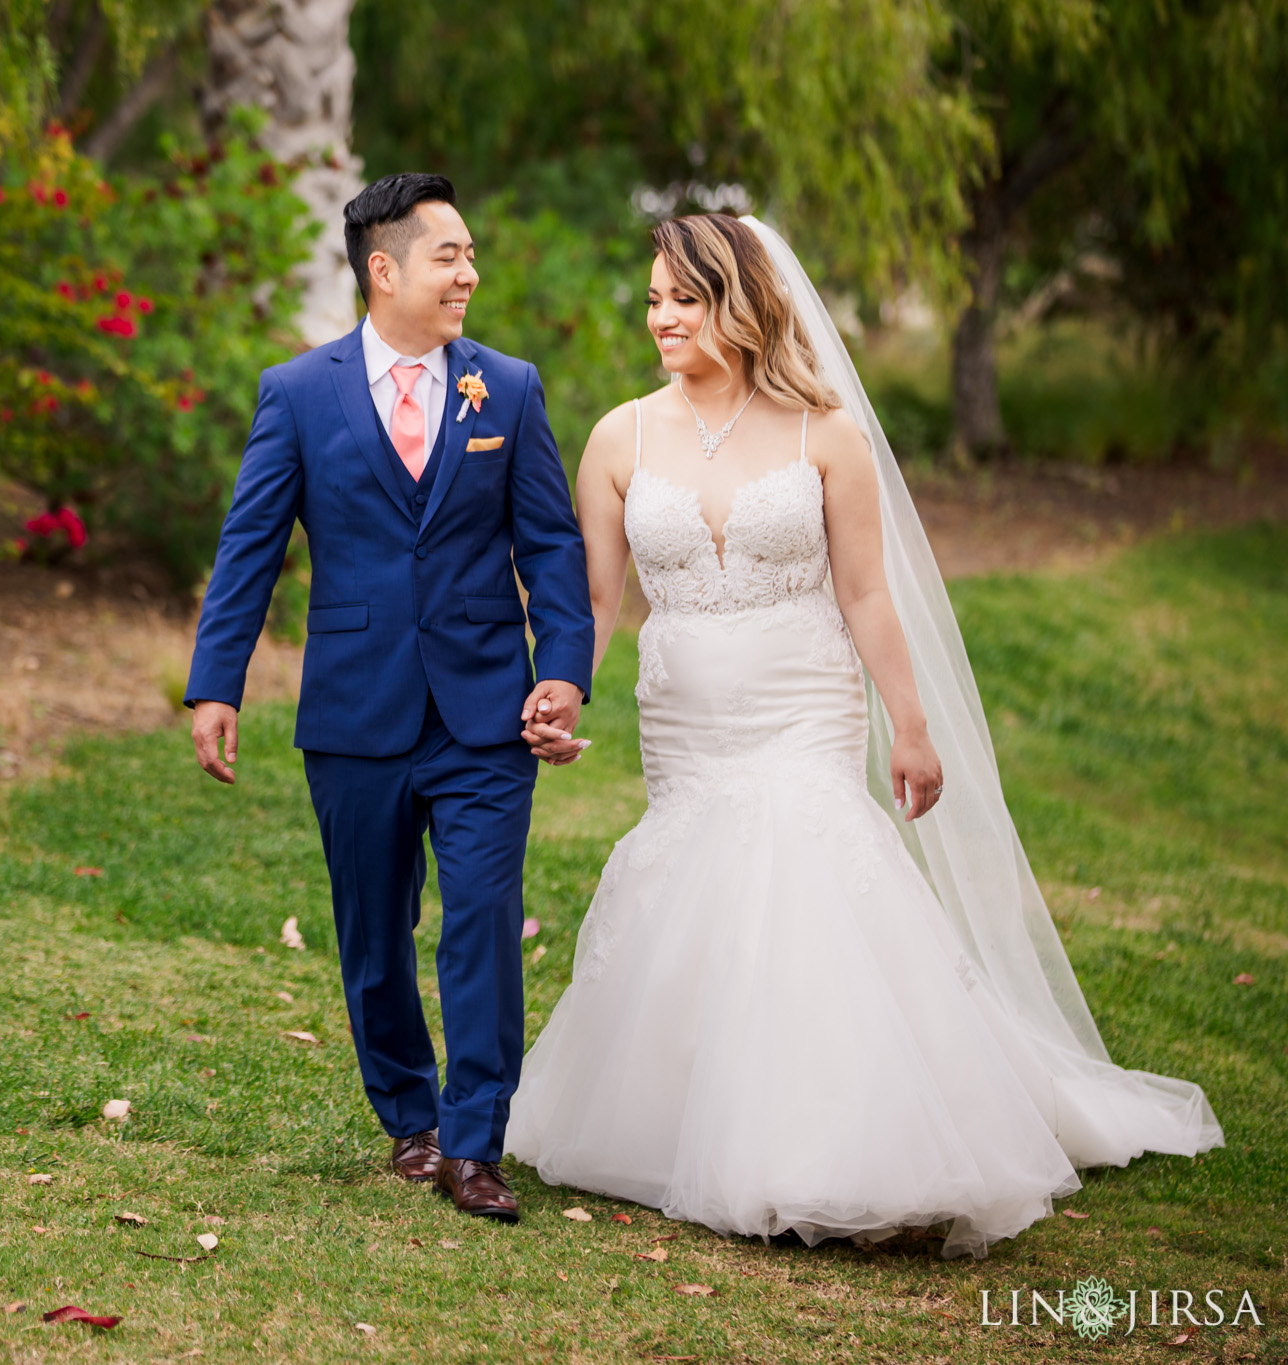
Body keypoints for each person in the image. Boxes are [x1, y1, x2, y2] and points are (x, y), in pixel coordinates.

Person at [504, 213, 1224, 1257]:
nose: (658, 316)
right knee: (699, 885)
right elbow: (599, 599)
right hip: (687, 721)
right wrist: (561, 688)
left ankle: (845, 1148)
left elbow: (865, 595)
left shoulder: (822, 433)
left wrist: (910, 726)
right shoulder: (620, 435)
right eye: (653, 297)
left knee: (796, 868)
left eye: (682, 298)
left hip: (802, 703)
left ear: (740, 304)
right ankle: (697, 1121)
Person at [185, 173, 594, 1222]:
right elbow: (249, 548)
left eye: (467, 255)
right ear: (384, 270)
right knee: (373, 933)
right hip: (353, 711)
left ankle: (474, 1143)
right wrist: (214, 685)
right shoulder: (297, 392)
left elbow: (548, 539)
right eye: (447, 255)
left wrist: (562, 668)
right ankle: (408, 1119)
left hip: (483, 711)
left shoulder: (505, 387)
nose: (468, 273)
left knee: (483, 920)